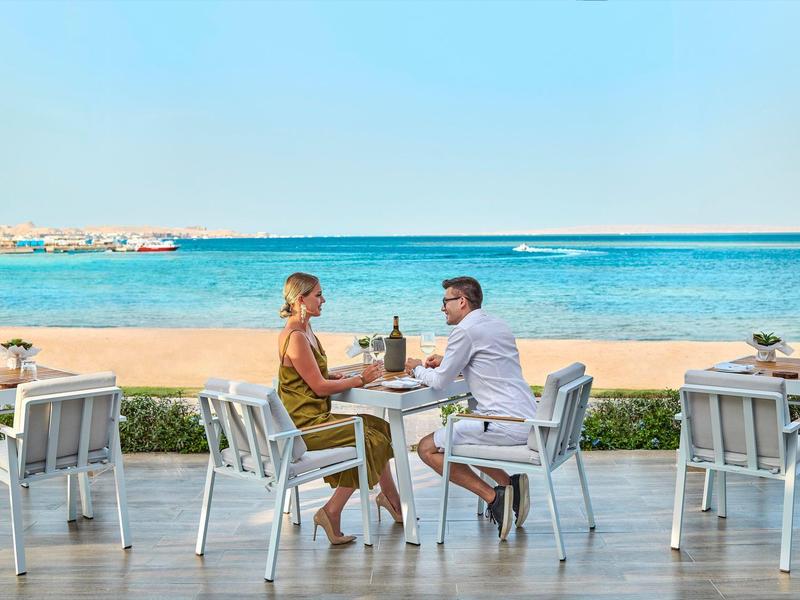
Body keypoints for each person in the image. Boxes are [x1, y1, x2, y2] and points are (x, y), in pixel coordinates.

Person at [405, 276, 536, 541]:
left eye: (445, 301)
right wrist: (448, 360)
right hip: (527, 418)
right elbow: (486, 361)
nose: (442, 307)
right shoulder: (497, 324)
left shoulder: (464, 331)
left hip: (503, 423)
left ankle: (495, 497)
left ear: (462, 301)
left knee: (428, 448)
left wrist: (416, 368)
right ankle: (510, 485)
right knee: (460, 437)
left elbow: (440, 382)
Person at [277, 272, 403, 545]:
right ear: (301, 299)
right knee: (368, 437)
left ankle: (390, 497)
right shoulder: (296, 336)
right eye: (318, 295)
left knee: (380, 426)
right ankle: (331, 511)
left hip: (315, 415)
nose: (323, 300)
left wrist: (331, 375)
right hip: (303, 425)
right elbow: (319, 387)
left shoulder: (306, 330)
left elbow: (311, 377)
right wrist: (360, 380)